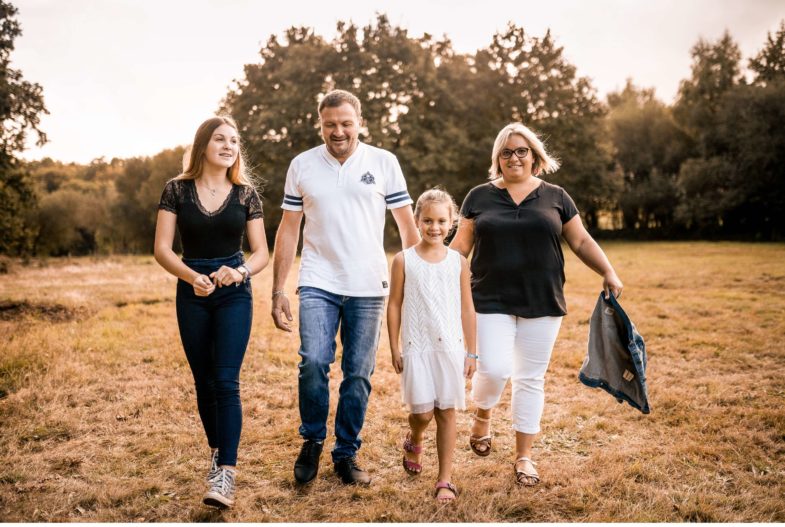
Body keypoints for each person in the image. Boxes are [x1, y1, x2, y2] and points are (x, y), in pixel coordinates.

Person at [450, 122, 623, 487]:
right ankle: (483, 414)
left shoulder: (556, 196)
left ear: (534, 157)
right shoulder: (478, 197)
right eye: (507, 152)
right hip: (488, 298)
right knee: (494, 369)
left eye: (521, 151)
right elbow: (460, 249)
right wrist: (428, 275)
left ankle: (524, 457)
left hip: (542, 300)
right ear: (498, 159)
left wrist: (607, 270)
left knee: (530, 379)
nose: (514, 157)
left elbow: (580, 241)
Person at [271, 89, 419, 486]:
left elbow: (407, 226)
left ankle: (346, 453)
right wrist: (278, 289)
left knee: (358, 372)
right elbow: (288, 228)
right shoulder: (302, 165)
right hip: (318, 279)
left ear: (359, 123)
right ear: (320, 124)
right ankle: (312, 441)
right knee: (315, 362)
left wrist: (421, 279)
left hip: (368, 285)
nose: (338, 131)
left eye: (346, 124)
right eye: (330, 124)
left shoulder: (383, 162)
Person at [154, 116, 268, 508]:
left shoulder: (246, 194)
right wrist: (190, 277)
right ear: (203, 144)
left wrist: (237, 272)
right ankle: (218, 453)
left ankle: (226, 475)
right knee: (203, 382)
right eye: (220, 139)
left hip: (234, 291)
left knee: (225, 380)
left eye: (234, 141)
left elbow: (261, 254)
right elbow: (162, 249)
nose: (228, 146)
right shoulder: (176, 190)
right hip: (192, 293)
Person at [387, 188, 477, 502]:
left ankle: (444, 480)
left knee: (447, 412)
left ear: (451, 223)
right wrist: (394, 347)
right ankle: (414, 437)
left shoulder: (458, 262)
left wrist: (471, 351)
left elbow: (467, 308)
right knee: (423, 414)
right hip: (416, 346)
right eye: (428, 220)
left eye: (441, 221)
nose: (434, 227)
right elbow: (395, 304)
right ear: (417, 221)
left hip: (450, 347)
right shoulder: (403, 260)